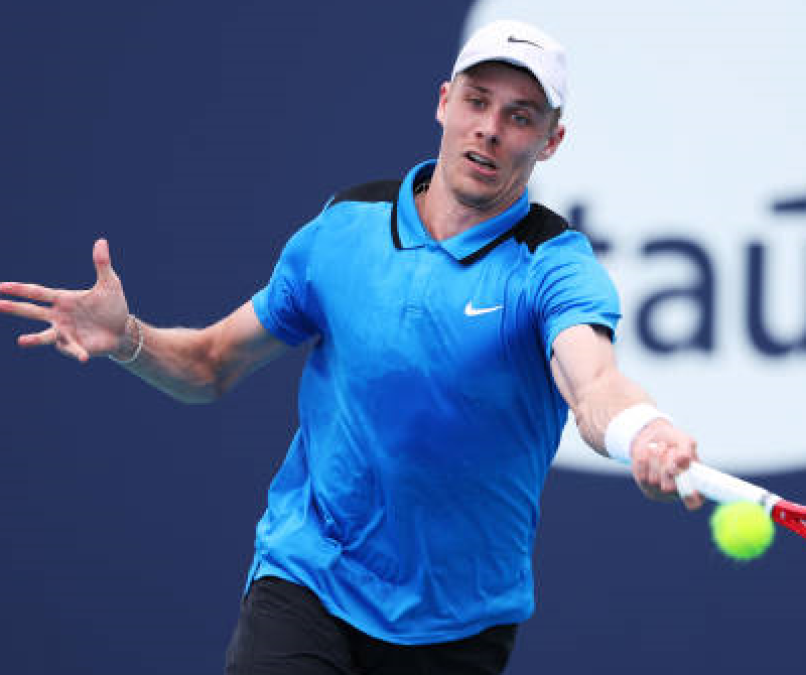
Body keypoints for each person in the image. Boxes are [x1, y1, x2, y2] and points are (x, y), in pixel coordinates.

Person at [0, 18, 701, 675]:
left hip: (458, 622)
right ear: (444, 102)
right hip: (308, 578)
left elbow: (593, 383)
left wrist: (641, 430)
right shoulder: (342, 230)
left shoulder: (552, 265)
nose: (489, 130)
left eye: (520, 116)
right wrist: (127, 337)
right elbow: (211, 363)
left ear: (550, 141)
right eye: (477, 101)